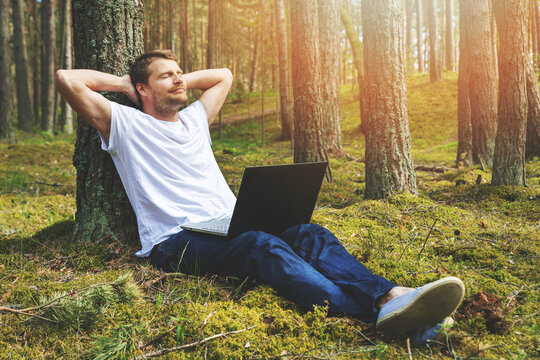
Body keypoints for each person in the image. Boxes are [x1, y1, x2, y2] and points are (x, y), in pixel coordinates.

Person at [55, 49, 465, 344]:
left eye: (181, 73)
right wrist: (126, 85)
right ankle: (376, 315)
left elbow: (224, 76)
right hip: (173, 240)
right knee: (260, 245)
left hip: (229, 221)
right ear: (142, 88)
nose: (180, 79)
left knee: (307, 232)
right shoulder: (123, 124)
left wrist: (174, 77)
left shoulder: (195, 120)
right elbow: (67, 79)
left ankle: (391, 296)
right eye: (167, 76)